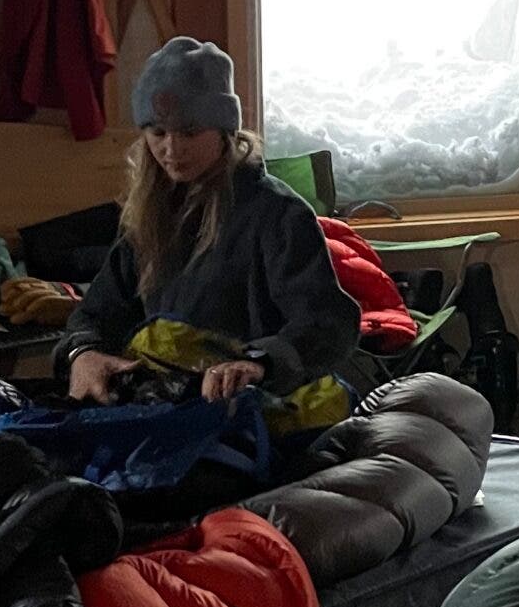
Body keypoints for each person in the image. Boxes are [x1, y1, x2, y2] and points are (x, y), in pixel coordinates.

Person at [59, 37, 360, 407]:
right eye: (157, 133)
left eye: (189, 132)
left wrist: (260, 363)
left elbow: (329, 322)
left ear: (224, 131)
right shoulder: (147, 217)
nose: (171, 149)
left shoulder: (279, 215)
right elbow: (97, 311)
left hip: (252, 409)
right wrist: (83, 353)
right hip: (164, 407)